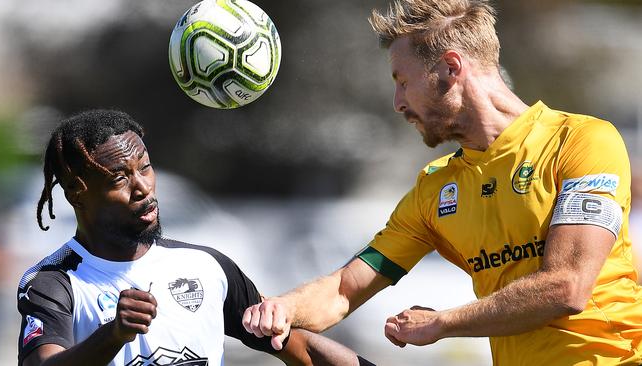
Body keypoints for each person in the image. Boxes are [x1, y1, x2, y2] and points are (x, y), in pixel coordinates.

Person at [242, 0, 642, 365]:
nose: (398, 102)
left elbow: (568, 287)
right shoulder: (435, 191)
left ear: (452, 68)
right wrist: (283, 309)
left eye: (403, 81)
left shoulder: (579, 141)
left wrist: (442, 323)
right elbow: (345, 289)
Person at [17, 110, 375, 366]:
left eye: (145, 167)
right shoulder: (52, 283)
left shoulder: (206, 267)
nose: (142, 187)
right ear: (77, 193)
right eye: (119, 179)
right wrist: (112, 336)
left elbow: (302, 349)